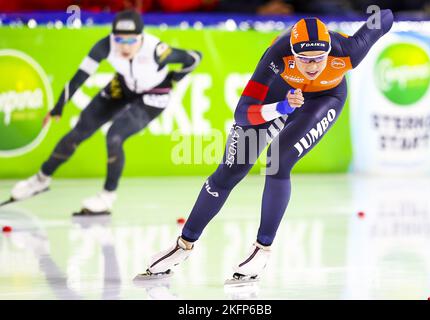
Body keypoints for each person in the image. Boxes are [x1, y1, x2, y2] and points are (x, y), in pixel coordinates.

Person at [137, 9, 394, 283]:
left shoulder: (349, 51)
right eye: (304, 59)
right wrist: (281, 108)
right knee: (229, 171)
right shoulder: (276, 56)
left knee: (278, 161)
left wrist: (377, 14)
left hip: (324, 99)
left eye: (319, 58)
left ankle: (262, 249)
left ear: (329, 51)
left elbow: (385, 17)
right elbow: (242, 112)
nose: (312, 66)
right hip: (278, 97)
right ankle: (183, 245)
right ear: (292, 53)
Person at [9, 9, 202, 215]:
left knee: (115, 136)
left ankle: (107, 197)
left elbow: (195, 57)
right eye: (120, 39)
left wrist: (177, 76)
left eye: (131, 41)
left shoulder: (157, 50)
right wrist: (58, 107)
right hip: (123, 86)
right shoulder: (105, 46)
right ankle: (41, 179)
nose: (124, 46)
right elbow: (79, 77)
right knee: (80, 130)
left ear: (141, 37)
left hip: (154, 93)